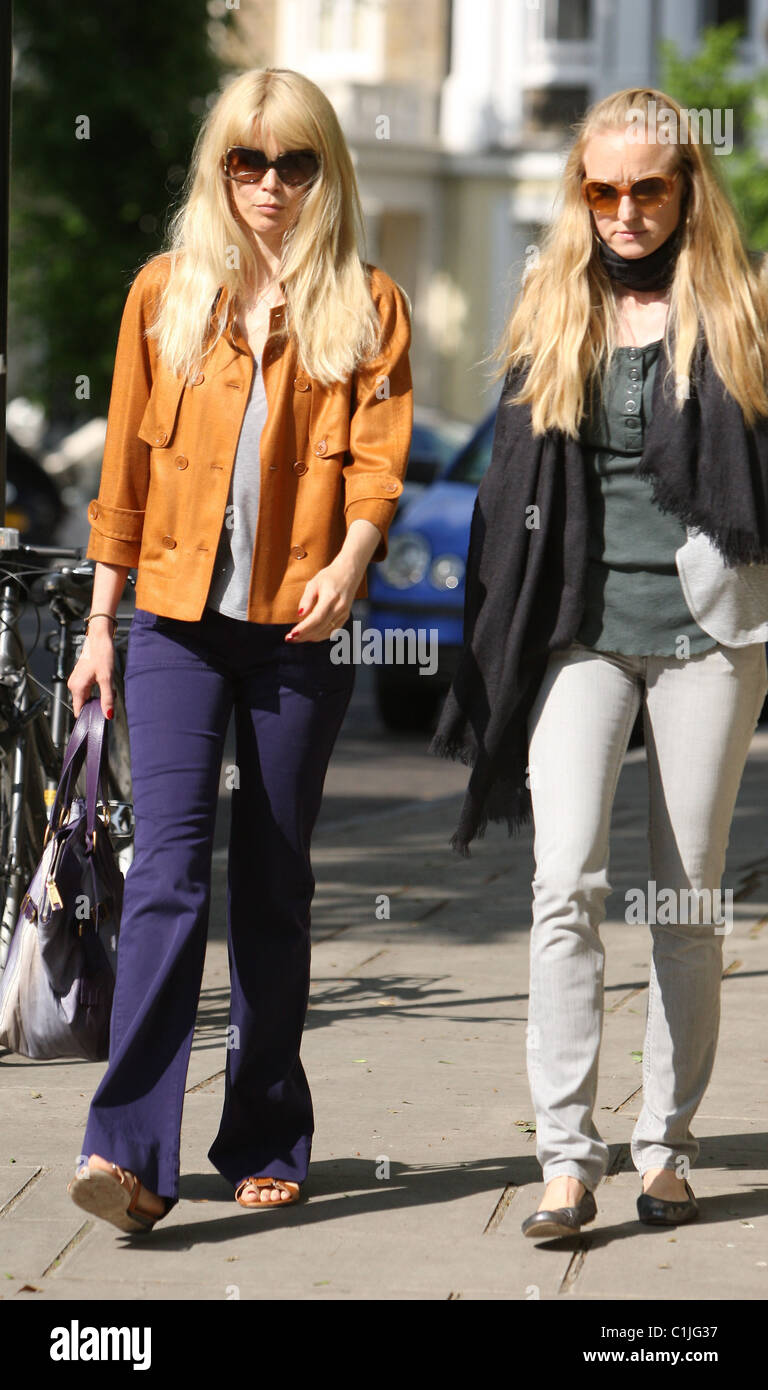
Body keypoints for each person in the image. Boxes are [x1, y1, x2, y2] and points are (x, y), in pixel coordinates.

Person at [66, 66, 412, 1231]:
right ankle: (128, 1155)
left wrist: (351, 561)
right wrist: (101, 624)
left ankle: (265, 1127)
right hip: (169, 620)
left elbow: (377, 466)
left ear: (327, 172)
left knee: (272, 879)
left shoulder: (366, 302)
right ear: (220, 168)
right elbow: (121, 475)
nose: (270, 185)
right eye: (248, 161)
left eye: (296, 163)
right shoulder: (163, 295)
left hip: (298, 631)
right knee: (163, 874)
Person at [431, 87, 768, 1239]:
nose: (625, 209)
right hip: (577, 629)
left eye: (648, 188)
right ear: (582, 192)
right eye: (603, 188)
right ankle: (567, 1158)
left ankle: (665, 1145)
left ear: (686, 190)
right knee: (563, 882)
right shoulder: (553, 300)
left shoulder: (744, 303)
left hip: (709, 638)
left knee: (686, 899)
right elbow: (515, 481)